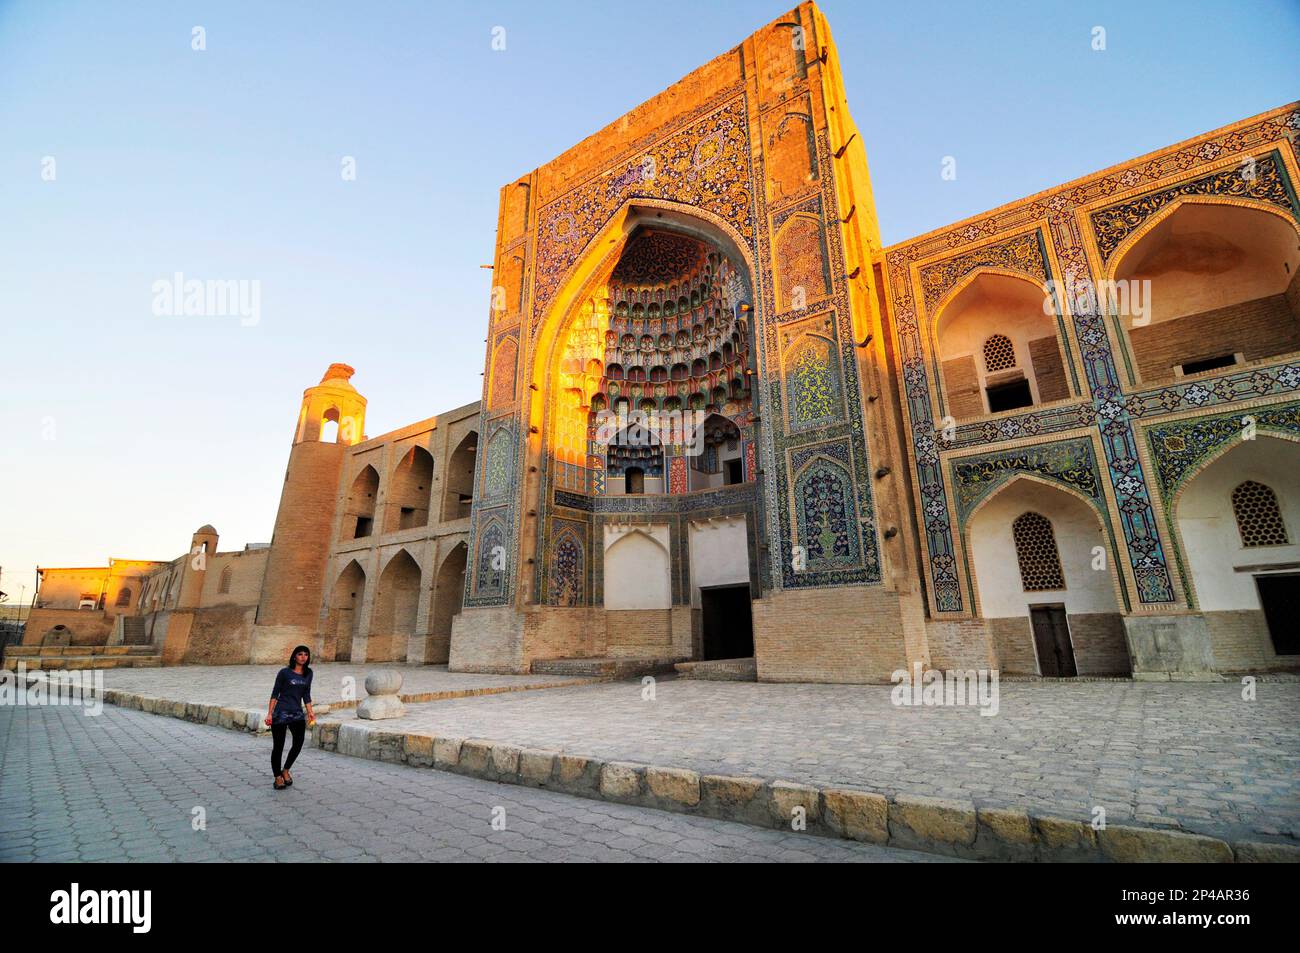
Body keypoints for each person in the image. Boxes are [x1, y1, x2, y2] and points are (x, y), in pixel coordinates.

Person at [264, 645, 315, 790]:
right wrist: (269, 713)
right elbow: (275, 693)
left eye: (306, 654)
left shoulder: (308, 673)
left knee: (298, 743)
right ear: (294, 656)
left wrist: (310, 711)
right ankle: (277, 777)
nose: (303, 657)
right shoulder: (284, 673)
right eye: (300, 654)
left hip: (297, 714)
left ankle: (285, 770)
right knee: (278, 747)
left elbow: (306, 694)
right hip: (280, 713)